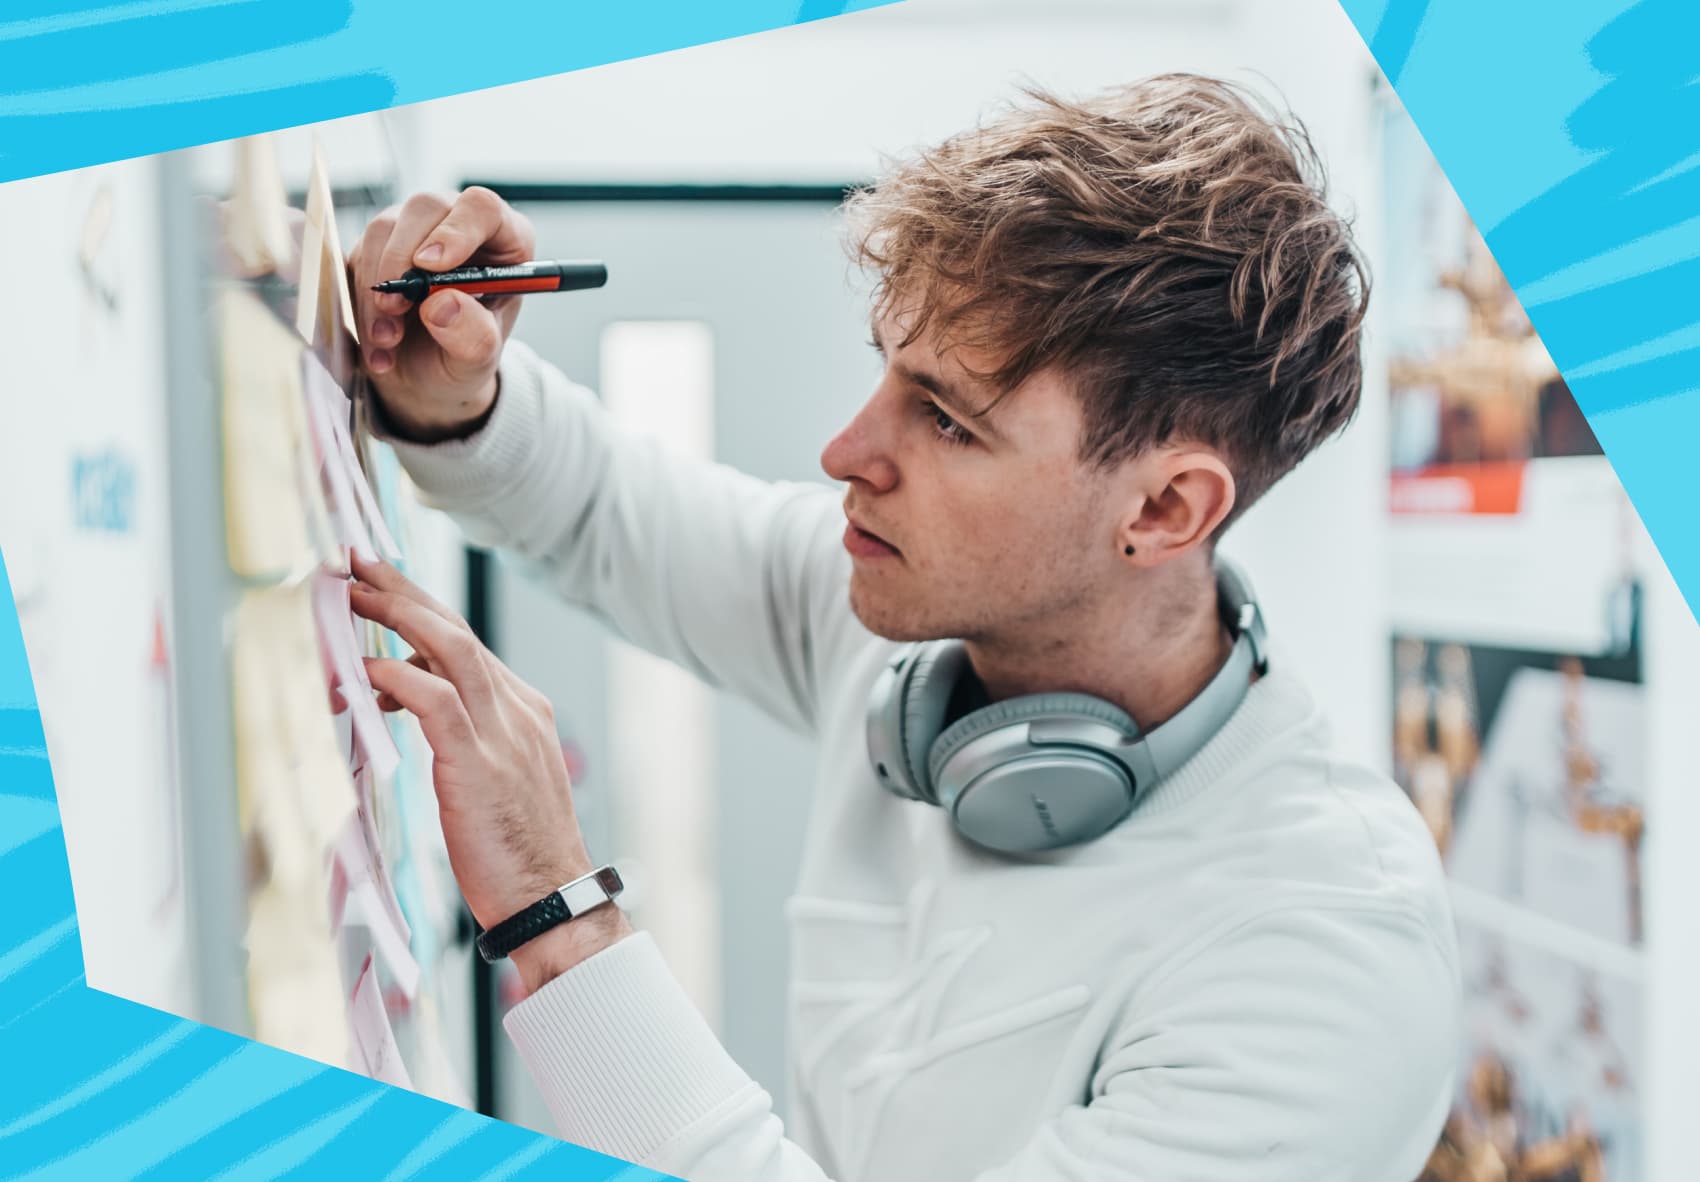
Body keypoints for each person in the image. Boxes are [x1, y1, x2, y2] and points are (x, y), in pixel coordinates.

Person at [345, 74, 1460, 1181]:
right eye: (887, 372)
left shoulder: (1321, 956)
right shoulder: (907, 628)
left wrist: (560, 912)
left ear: (1165, 509)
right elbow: (598, 511)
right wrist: (453, 386)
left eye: (944, 418)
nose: (845, 452)